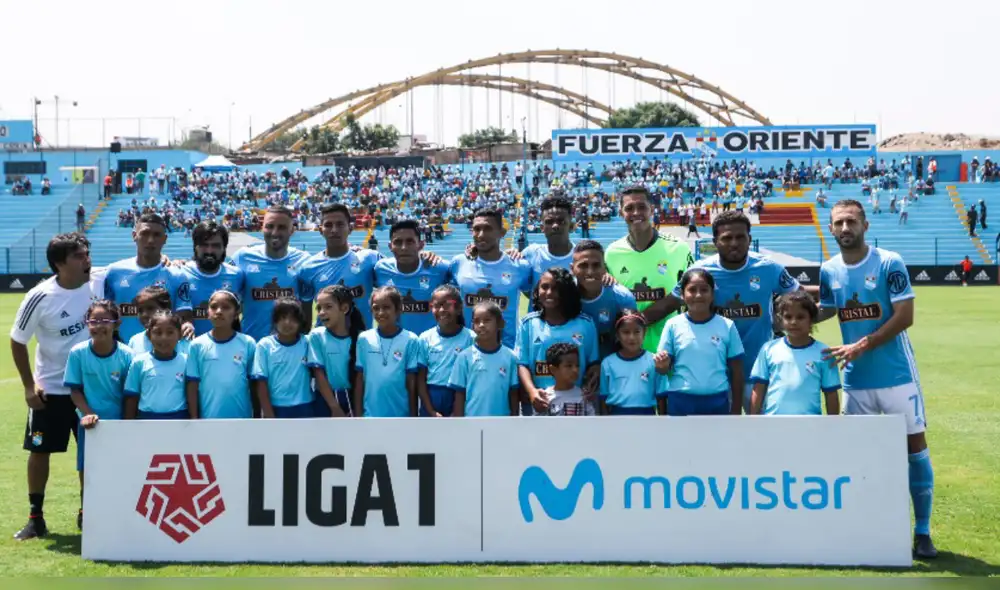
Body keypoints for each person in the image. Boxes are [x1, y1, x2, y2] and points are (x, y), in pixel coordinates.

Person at [817, 198, 937, 559]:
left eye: (851, 221)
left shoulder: (888, 262)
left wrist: (863, 344)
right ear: (831, 228)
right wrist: (784, 316)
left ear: (865, 225)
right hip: (855, 380)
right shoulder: (828, 269)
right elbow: (827, 309)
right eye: (838, 223)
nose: (844, 229)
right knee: (856, 454)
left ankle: (923, 532)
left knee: (914, 447)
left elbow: (905, 316)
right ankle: (864, 526)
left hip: (897, 374)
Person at [10, 232, 105, 540]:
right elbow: (18, 340)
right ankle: (35, 518)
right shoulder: (40, 296)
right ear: (59, 263)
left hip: (91, 392)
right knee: (39, 452)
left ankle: (88, 513)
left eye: (87, 253)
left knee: (90, 455)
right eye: (79, 256)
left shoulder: (100, 282)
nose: (87, 259)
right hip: (50, 391)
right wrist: (28, 386)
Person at [665, 211, 801, 413]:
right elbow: (670, 302)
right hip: (716, 378)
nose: (734, 243)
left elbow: (800, 300)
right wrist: (634, 319)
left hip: (762, 373)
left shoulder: (769, 268)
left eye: (740, 237)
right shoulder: (700, 271)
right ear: (715, 241)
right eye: (727, 238)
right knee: (720, 441)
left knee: (765, 436)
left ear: (750, 239)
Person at [64, 300, 134, 531]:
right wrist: (89, 414)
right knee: (88, 468)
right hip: (90, 424)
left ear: (117, 324)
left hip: (120, 423)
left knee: (121, 468)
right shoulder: (78, 353)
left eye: (105, 321)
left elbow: (131, 393)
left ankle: (122, 510)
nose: (99, 326)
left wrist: (126, 421)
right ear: (87, 324)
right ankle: (87, 509)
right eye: (94, 321)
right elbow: (75, 390)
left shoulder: (127, 355)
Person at [605, 185, 692, 353]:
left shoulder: (678, 248)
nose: (636, 212)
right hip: (629, 354)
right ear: (621, 213)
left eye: (642, 207)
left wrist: (643, 318)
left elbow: (689, 291)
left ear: (652, 209)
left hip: (671, 349)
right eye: (629, 208)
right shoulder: (612, 253)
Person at [654, 268, 745, 416]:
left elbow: (737, 371)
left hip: (717, 401)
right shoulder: (673, 325)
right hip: (681, 400)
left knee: (716, 440)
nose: (698, 295)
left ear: (712, 295)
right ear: (682, 295)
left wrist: (736, 408)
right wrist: (662, 366)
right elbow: (663, 369)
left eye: (704, 290)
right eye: (692, 290)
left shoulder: (727, 325)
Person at [517, 268, 600, 416]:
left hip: (575, 404)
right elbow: (522, 364)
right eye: (544, 287)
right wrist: (532, 391)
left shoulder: (585, 324)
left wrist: (592, 380)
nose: (549, 293)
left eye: (556, 289)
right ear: (537, 290)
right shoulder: (528, 324)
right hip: (539, 402)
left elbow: (593, 363)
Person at [451, 208, 533, 349]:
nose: (481, 234)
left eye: (488, 229)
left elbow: (533, 299)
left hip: (507, 349)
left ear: (502, 233)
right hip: (467, 351)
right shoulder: (459, 263)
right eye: (477, 229)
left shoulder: (520, 266)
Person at [750, 291, 841, 416]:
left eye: (800, 317)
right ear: (780, 319)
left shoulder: (824, 353)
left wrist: (833, 427)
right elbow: (759, 389)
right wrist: (753, 420)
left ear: (812, 319)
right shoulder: (768, 349)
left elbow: (831, 394)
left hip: (810, 426)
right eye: (788, 317)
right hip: (773, 425)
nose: (793, 322)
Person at [103, 213, 188, 343]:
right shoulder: (114, 272)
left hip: (161, 355)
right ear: (134, 236)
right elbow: (105, 315)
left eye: (156, 235)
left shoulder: (177, 275)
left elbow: (184, 318)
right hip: (122, 354)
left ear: (165, 239)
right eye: (145, 233)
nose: (150, 240)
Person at [298, 204, 383, 329]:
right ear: (321, 230)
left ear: (350, 228)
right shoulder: (308, 268)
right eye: (328, 225)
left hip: (361, 344)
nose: (334, 230)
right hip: (324, 345)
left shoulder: (369, 259)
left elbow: (399, 272)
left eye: (340, 224)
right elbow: (305, 320)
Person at [231, 206, 310, 341]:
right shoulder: (242, 257)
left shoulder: (304, 261)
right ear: (262, 227)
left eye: (282, 227)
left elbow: (307, 310)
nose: (274, 232)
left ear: (292, 230)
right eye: (269, 226)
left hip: (289, 347)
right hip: (252, 345)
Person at [184, 291, 257, 419]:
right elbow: (192, 386)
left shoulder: (248, 343)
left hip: (242, 419)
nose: (218, 311)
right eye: (213, 307)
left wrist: (256, 417)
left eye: (226, 307)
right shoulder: (197, 345)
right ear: (207, 313)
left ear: (236, 314)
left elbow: (254, 385)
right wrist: (194, 419)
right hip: (208, 419)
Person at [353, 287, 422, 418]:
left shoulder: (411, 339)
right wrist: (358, 415)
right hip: (370, 415)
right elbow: (360, 379)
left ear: (398, 309)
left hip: (401, 415)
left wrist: (413, 417)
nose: (381, 312)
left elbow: (411, 382)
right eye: (376, 308)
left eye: (386, 307)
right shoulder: (364, 339)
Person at [374, 220, 451, 336]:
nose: (404, 247)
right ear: (390, 246)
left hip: (430, 345)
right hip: (396, 344)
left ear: (421, 245)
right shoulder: (380, 269)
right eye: (398, 242)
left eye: (410, 242)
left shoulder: (439, 268)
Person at [449, 301, 519, 417]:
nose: (481, 325)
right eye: (477, 321)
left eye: (487, 320)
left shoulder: (510, 357)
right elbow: (459, 395)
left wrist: (513, 421)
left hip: (501, 424)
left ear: (500, 324)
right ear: (472, 326)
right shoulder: (464, 357)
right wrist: (460, 425)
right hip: (471, 424)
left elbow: (513, 394)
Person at [175, 221, 245, 337]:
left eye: (216, 246)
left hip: (225, 348)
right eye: (204, 245)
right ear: (195, 247)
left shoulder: (236, 275)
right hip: (189, 349)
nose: (209, 251)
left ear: (224, 248)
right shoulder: (180, 273)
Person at [571, 240, 636, 360]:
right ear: (572, 269)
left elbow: (630, 344)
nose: (590, 272)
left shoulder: (622, 298)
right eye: (583, 266)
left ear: (604, 268)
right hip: (573, 370)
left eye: (596, 265)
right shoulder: (564, 295)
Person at [251, 298, 315, 419]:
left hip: (305, 406)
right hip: (276, 408)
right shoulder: (265, 345)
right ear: (275, 321)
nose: (287, 323)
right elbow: (261, 383)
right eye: (283, 317)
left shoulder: (307, 342)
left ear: (300, 322)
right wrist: (268, 413)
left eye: (293, 319)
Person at [417, 285, 475, 417]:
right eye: (436, 305)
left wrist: (458, 409)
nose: (441, 310)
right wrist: (431, 410)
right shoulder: (425, 338)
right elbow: (421, 379)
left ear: (459, 308)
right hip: (431, 399)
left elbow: (473, 377)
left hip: (460, 397)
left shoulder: (471, 338)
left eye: (447, 305)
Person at [307, 285, 363, 417]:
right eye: (319, 307)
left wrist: (357, 408)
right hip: (326, 400)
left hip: (354, 399)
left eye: (328, 307)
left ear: (344, 308)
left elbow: (362, 378)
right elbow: (319, 373)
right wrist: (335, 407)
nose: (321, 312)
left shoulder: (361, 338)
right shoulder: (317, 336)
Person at [123, 311, 190, 420]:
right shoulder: (139, 362)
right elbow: (131, 397)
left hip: (179, 420)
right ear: (149, 335)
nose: (164, 337)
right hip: (146, 419)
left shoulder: (186, 361)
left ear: (179, 335)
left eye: (170, 332)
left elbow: (192, 395)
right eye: (158, 333)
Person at [598, 312, 662, 415]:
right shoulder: (608, 363)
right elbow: (603, 398)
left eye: (637, 332)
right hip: (617, 418)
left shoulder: (654, 360)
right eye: (626, 332)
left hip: (647, 416)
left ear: (644, 333)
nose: (632, 337)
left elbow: (661, 396)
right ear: (617, 335)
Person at [533, 343, 596, 416]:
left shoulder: (584, 396)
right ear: (553, 369)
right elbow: (538, 423)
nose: (575, 370)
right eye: (569, 366)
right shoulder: (545, 398)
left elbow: (591, 421)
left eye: (577, 365)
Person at [127, 287, 192, 356]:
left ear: (166, 309)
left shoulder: (183, 341)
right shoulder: (135, 341)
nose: (144, 315)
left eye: (150, 308)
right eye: (140, 310)